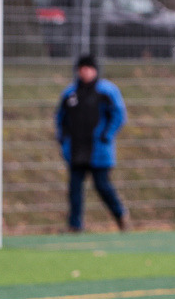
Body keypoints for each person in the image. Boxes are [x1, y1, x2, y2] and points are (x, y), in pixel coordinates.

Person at [55, 54, 129, 232]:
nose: (85, 72)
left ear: (95, 70)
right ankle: (75, 225)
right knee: (74, 189)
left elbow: (119, 115)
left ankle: (121, 215)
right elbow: (60, 119)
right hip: (76, 149)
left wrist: (106, 134)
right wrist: (63, 139)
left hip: (98, 150)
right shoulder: (70, 93)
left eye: (89, 68)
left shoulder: (107, 91)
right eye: (82, 68)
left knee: (102, 186)